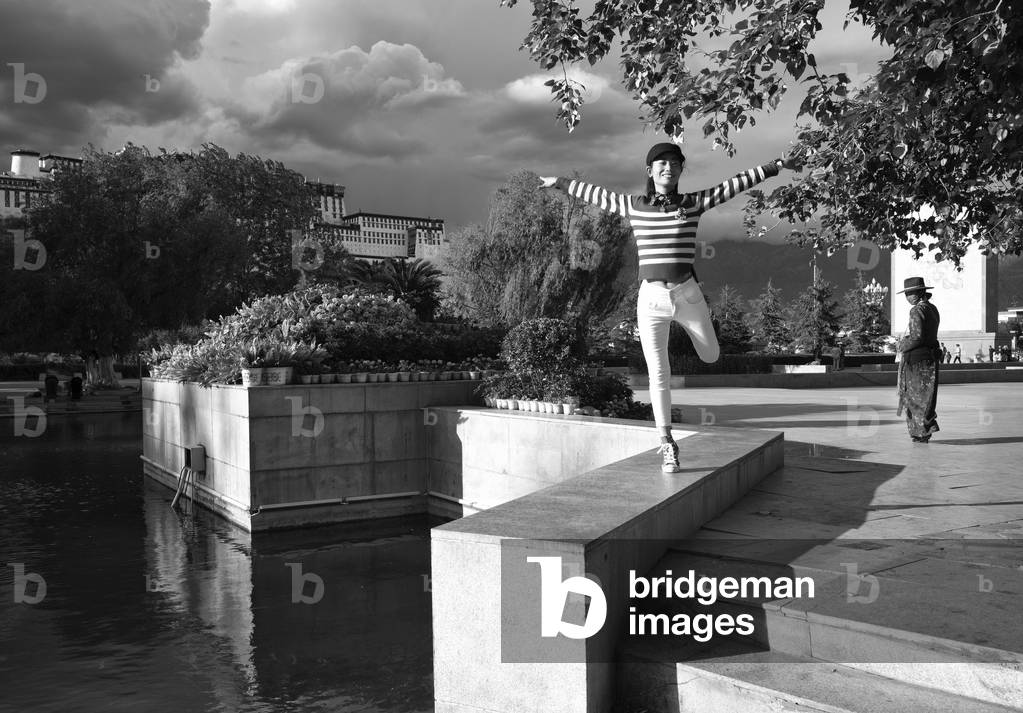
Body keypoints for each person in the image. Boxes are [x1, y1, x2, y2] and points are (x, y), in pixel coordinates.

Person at [539, 143, 797, 472]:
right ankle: (667, 443)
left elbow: (734, 184)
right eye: (661, 163)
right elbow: (595, 194)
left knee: (711, 356)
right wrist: (560, 182)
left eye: (675, 163)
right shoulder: (634, 206)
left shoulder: (693, 203)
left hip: (687, 295)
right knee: (659, 373)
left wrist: (776, 164)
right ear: (650, 171)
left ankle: (691, 336)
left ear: (679, 171)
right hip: (651, 300)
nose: (668, 168)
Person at [896, 277, 941, 442]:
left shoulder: (916, 310)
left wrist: (902, 345)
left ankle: (920, 433)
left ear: (919, 293)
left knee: (915, 398)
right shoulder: (932, 308)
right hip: (929, 359)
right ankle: (924, 431)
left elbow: (917, 337)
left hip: (916, 361)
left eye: (909, 293)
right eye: (906, 293)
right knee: (926, 398)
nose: (907, 297)